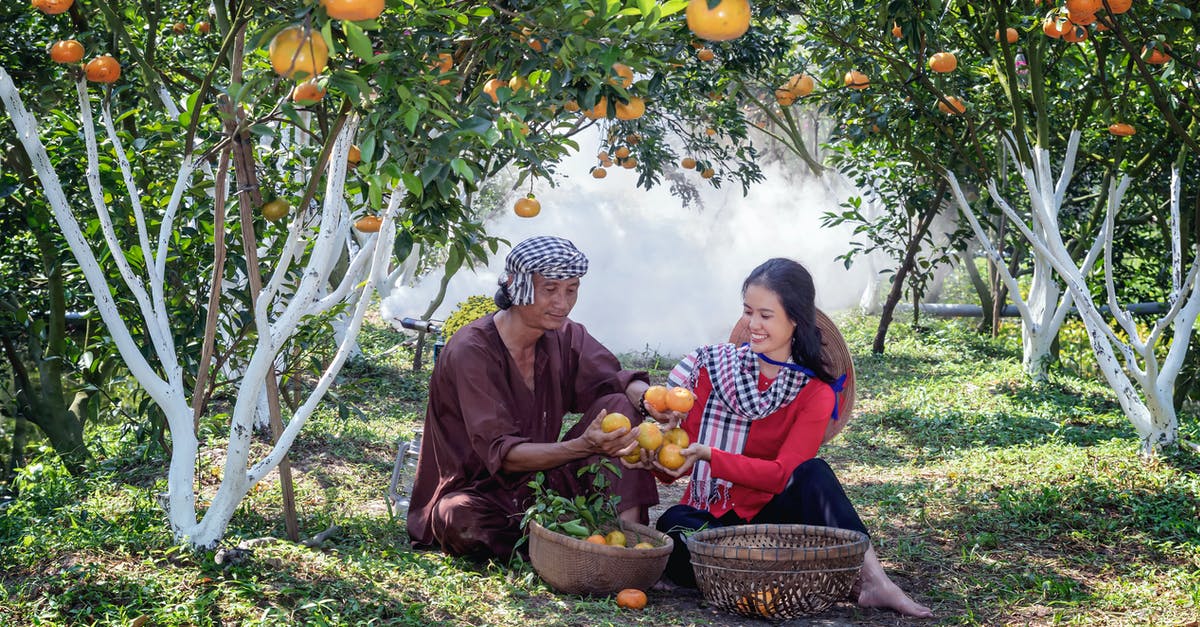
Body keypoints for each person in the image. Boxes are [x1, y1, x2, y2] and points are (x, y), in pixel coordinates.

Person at [638, 258, 933, 618]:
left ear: (794, 318)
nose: (753, 325)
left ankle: (875, 582)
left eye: (766, 315)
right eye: (748, 312)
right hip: (716, 526)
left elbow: (781, 475)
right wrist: (656, 460)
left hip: (777, 524)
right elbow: (679, 463)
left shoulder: (816, 392)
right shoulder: (716, 371)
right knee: (674, 521)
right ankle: (763, 576)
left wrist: (711, 456)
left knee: (814, 474)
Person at [406, 235, 667, 561]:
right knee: (459, 518)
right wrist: (584, 446)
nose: (563, 303)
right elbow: (505, 454)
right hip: (479, 492)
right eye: (550, 290)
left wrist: (650, 401)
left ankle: (625, 549)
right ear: (517, 286)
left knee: (619, 406)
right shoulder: (471, 351)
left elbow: (612, 380)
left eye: (571, 290)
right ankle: (563, 541)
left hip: (542, 484)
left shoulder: (565, 334)